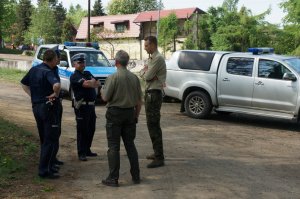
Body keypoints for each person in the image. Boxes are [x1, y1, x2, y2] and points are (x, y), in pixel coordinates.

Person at [101, 50, 142, 187]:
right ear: (127, 62)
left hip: (115, 114)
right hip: (130, 114)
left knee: (113, 147)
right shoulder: (134, 78)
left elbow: (105, 97)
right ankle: (136, 175)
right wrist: (135, 116)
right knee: (130, 145)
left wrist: (100, 89)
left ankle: (113, 178)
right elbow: (139, 101)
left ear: (116, 62)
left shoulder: (113, 77)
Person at [20, 49, 61, 179]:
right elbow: (57, 85)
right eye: (56, 58)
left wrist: (32, 96)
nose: (57, 60)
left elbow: (23, 83)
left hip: (36, 106)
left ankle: (46, 166)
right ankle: (44, 170)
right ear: (52, 59)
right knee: (50, 139)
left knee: (44, 138)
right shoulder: (48, 71)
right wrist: (56, 94)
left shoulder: (34, 69)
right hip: (48, 108)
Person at [141, 36, 166, 168]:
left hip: (154, 94)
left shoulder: (157, 59)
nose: (145, 48)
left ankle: (159, 157)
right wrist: (147, 73)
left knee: (154, 124)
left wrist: (147, 73)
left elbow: (148, 76)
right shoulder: (152, 59)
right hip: (150, 93)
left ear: (153, 45)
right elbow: (142, 74)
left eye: (146, 45)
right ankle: (157, 152)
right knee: (151, 124)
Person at [70, 53, 101, 161]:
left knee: (91, 128)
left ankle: (87, 150)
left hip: (91, 106)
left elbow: (98, 83)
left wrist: (91, 82)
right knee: (82, 130)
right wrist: (90, 83)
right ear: (74, 64)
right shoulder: (75, 76)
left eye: (83, 62)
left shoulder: (87, 73)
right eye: (80, 62)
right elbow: (87, 84)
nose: (82, 64)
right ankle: (81, 152)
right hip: (82, 107)